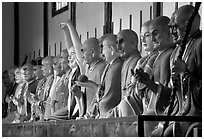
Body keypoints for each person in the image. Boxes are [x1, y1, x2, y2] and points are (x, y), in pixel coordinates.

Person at [152, 5, 202, 137]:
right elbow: (172, 93)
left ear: (188, 23)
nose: (172, 32)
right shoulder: (176, 52)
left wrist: (184, 72)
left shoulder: (200, 45)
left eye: (175, 27)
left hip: (196, 115)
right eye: (170, 28)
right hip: (179, 113)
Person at [59, 20, 106, 118]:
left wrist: (70, 26)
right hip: (86, 112)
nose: (82, 55)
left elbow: (103, 94)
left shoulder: (103, 67)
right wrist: (78, 93)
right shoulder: (88, 67)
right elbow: (75, 48)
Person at [76, 34, 124, 118]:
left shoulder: (115, 67)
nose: (101, 52)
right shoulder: (110, 66)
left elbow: (109, 97)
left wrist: (93, 86)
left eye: (103, 48)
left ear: (112, 49)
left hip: (110, 114)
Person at [40, 56, 55, 121]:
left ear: (49, 67)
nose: (41, 68)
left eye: (43, 65)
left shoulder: (55, 80)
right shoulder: (43, 81)